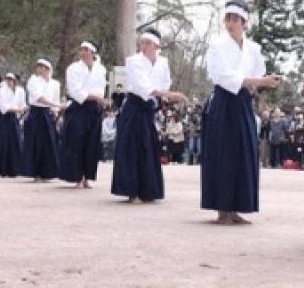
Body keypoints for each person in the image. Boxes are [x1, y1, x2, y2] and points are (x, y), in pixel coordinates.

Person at [201, 0, 280, 225]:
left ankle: (237, 206)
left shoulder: (253, 48)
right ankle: (222, 208)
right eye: (228, 18)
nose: (231, 23)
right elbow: (222, 76)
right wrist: (257, 80)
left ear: (245, 22)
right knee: (223, 154)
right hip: (224, 102)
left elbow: (259, 74)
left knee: (243, 153)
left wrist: (263, 83)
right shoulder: (217, 45)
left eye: (236, 19)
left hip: (244, 103)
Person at [111, 28, 187, 202]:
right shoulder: (133, 61)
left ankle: (147, 190)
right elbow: (143, 86)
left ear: (156, 45)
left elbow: (165, 83)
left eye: (147, 43)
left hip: (149, 110)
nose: (143, 46)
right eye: (142, 42)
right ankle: (131, 191)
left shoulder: (163, 63)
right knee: (132, 147)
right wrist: (167, 94)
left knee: (148, 148)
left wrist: (166, 97)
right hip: (134, 107)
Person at [60, 41, 108, 188]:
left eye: (87, 50)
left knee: (92, 143)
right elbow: (75, 90)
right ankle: (76, 176)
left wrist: (99, 99)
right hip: (78, 107)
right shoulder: (73, 68)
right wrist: (94, 97)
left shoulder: (101, 69)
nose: (84, 52)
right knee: (76, 142)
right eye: (82, 50)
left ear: (93, 53)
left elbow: (101, 89)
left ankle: (87, 176)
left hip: (94, 109)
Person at [23, 59, 62, 181]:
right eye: (38, 66)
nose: (39, 69)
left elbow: (56, 98)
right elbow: (38, 98)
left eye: (42, 67)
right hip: (36, 113)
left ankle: (48, 172)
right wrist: (56, 104)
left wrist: (56, 112)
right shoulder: (33, 80)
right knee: (36, 143)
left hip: (48, 114)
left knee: (49, 143)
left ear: (48, 69)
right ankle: (35, 172)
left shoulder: (55, 83)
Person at [0, 73, 25, 177]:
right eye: (7, 79)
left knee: (15, 142)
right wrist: (18, 109)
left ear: (15, 81)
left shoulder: (20, 91)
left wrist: (21, 109)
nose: (9, 81)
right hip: (4, 119)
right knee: (3, 143)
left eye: (11, 79)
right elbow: (3, 107)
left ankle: (15, 169)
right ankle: (1, 169)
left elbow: (22, 103)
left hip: (14, 118)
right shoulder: (1, 91)